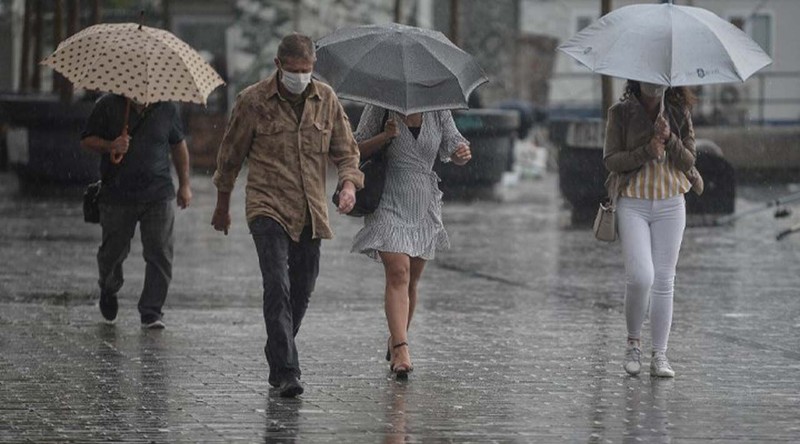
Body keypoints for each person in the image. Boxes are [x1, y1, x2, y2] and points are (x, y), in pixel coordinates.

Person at [210, 33, 363, 398]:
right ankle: (286, 371)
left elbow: (347, 152)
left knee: (303, 288)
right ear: (278, 65)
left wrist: (348, 186)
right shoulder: (253, 101)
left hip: (311, 209)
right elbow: (230, 157)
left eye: (307, 70)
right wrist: (221, 205)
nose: (300, 77)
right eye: (293, 70)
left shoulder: (326, 99)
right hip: (267, 205)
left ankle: (278, 347)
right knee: (276, 284)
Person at [351, 104, 472, 379]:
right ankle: (402, 347)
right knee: (398, 272)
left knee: (412, 280)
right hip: (388, 199)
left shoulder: (439, 109)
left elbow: (454, 144)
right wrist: (384, 137)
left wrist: (462, 153)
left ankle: (396, 337)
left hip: (423, 202)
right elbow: (354, 149)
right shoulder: (380, 106)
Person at [603, 80, 704, 378]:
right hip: (633, 201)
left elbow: (689, 159)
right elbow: (611, 160)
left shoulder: (678, 110)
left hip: (672, 202)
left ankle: (660, 353)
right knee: (640, 276)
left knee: (663, 279)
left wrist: (670, 137)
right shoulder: (620, 112)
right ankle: (633, 341)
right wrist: (647, 149)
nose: (654, 86)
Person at [81, 94, 192, 329]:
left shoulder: (168, 108)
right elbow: (87, 140)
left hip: (159, 193)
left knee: (160, 252)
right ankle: (109, 287)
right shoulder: (108, 105)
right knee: (112, 252)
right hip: (117, 195)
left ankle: (152, 311)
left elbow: (178, 145)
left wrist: (184, 185)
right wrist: (111, 145)